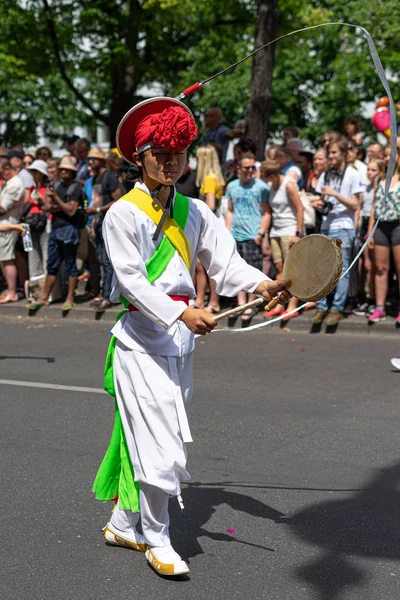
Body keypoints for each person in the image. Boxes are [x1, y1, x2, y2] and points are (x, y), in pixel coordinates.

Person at [92, 97, 291, 577]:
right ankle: (159, 539)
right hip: (140, 343)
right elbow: (131, 283)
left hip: (179, 345)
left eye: (179, 151)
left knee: (159, 440)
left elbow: (225, 262)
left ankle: (123, 521)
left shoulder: (194, 209)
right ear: (139, 156)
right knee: (162, 444)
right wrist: (180, 315)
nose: (170, 160)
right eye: (160, 151)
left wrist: (262, 283)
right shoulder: (124, 214)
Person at [311, 137, 364, 326]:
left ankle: (337, 308)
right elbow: (319, 199)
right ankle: (322, 306)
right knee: (323, 269)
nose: (330, 156)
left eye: (334, 153)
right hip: (326, 225)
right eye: (329, 153)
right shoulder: (326, 175)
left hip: (344, 226)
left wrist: (335, 195)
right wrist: (317, 204)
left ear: (343, 154)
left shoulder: (352, 174)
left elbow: (356, 204)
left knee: (342, 269)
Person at [27, 156, 84, 312]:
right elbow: (48, 207)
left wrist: (56, 200)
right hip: (56, 229)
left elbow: (71, 211)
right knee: (51, 265)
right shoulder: (55, 185)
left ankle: (70, 298)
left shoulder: (76, 188)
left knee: (71, 264)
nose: (63, 171)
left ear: (73, 172)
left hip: (69, 229)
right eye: (62, 169)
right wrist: (46, 201)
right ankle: (44, 297)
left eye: (67, 169)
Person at [225, 152, 270, 325]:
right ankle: (241, 303)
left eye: (253, 167)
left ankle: (251, 303)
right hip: (236, 234)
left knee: (253, 269)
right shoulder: (232, 186)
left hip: (253, 234)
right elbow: (230, 209)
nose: (251, 170)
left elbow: (267, 212)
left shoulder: (261, 187)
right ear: (239, 169)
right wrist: (227, 231)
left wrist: (261, 233)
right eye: (247, 167)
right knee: (237, 270)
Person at [260, 159, 304, 320]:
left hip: (289, 230)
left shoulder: (289, 184)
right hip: (276, 231)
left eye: (265, 176)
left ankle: (293, 306)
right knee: (279, 269)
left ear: (272, 174)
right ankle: (280, 305)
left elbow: (300, 208)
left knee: (292, 271)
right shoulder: (272, 186)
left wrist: (297, 233)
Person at [84, 147, 122, 311]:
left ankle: (109, 296)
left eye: (94, 159)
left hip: (110, 223)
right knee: (101, 259)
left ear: (102, 161)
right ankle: (105, 293)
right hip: (99, 223)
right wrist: (93, 219)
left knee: (108, 261)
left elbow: (119, 199)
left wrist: (98, 211)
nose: (91, 162)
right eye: (89, 160)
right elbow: (96, 202)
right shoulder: (94, 179)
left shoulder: (109, 177)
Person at [367, 147, 400, 325]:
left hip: (397, 225)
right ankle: (379, 307)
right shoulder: (381, 178)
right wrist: (370, 230)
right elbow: (374, 205)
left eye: (389, 154)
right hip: (381, 226)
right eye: (385, 155)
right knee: (380, 269)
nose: (386, 158)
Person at [194, 145, 225, 313]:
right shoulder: (212, 178)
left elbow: (210, 205)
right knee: (200, 264)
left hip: (208, 225)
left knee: (207, 264)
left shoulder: (209, 179)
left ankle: (213, 301)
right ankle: (200, 300)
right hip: (211, 224)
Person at [352, 159, 385, 316]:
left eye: (374, 170)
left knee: (373, 266)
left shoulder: (381, 187)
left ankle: (374, 299)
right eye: (369, 170)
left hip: (376, 225)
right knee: (365, 266)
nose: (370, 173)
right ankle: (365, 298)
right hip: (365, 224)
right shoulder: (365, 188)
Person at [25, 160, 51, 302]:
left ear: (42, 174)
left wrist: (43, 201)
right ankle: (36, 291)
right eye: (32, 172)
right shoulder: (31, 188)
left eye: (35, 172)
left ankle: (47, 293)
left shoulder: (48, 188)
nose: (33, 174)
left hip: (46, 223)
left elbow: (48, 206)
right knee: (33, 255)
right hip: (32, 224)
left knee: (46, 255)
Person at [0, 160, 25, 303]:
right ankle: (10, 290)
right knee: (3, 259)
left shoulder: (15, 183)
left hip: (9, 224)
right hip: (4, 224)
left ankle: (12, 292)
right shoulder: (9, 183)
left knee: (6, 258)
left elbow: (3, 207)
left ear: (7, 169)